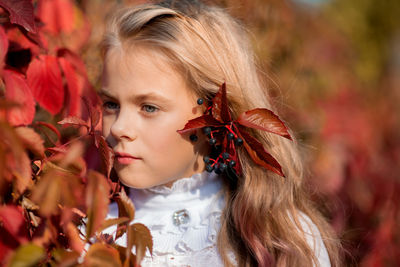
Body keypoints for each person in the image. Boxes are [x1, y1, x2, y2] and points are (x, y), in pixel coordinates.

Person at [99, 0, 341, 266]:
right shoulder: (87, 235)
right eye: (111, 104)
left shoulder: (280, 239)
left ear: (213, 111)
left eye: (149, 108)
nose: (119, 127)